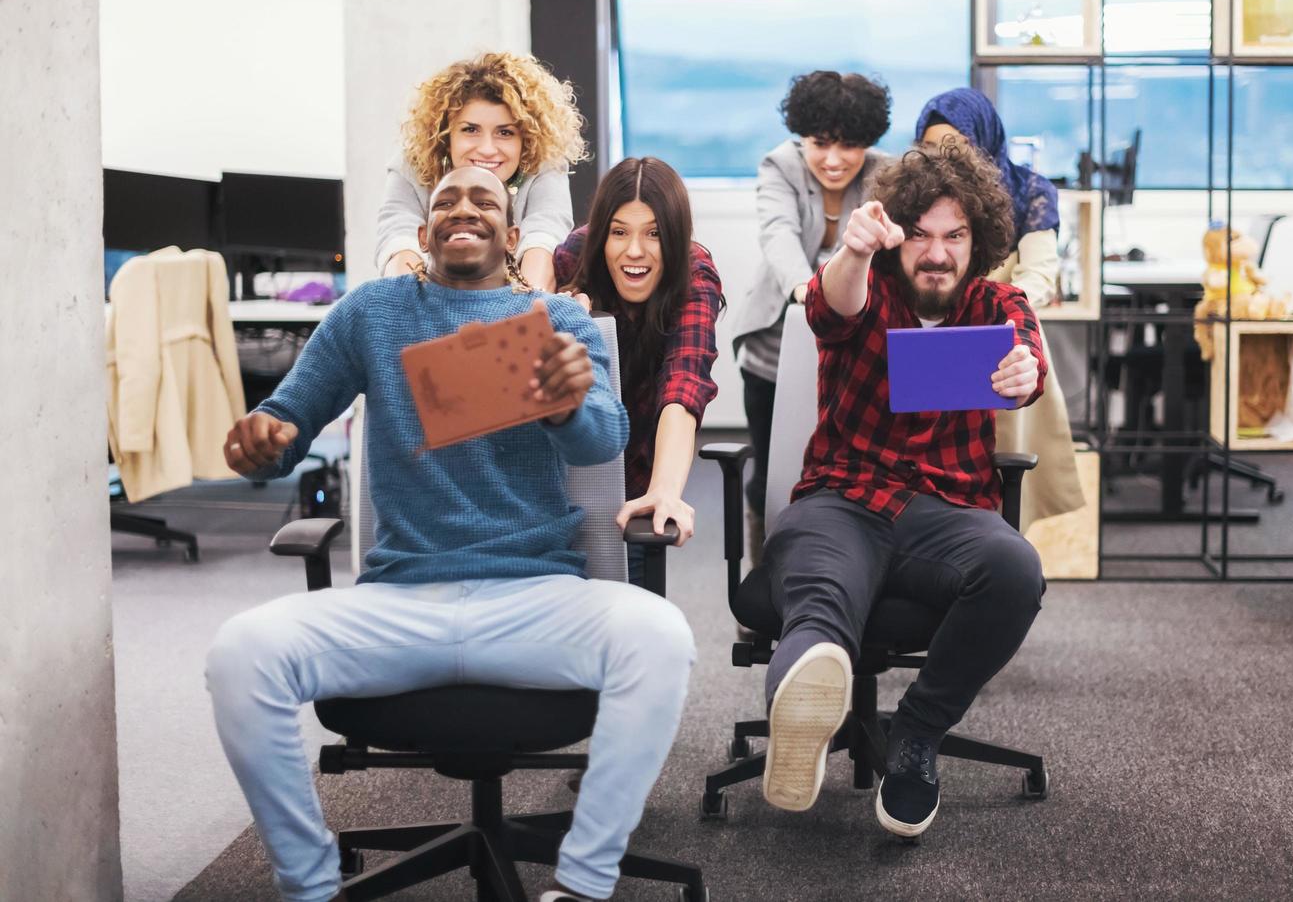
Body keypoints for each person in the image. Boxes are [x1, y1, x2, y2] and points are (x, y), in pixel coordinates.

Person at [206, 165, 695, 902]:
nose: (463, 210)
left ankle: (586, 885)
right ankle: (309, 888)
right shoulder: (370, 314)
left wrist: (565, 407)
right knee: (240, 653)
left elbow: (603, 440)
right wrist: (265, 438)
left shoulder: (556, 323)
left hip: (534, 595)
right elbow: (290, 415)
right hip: (401, 601)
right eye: (445, 202)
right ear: (426, 227)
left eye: (484, 200)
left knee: (661, 635)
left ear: (513, 232)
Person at [758, 141, 1047, 839]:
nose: (936, 254)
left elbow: (1027, 355)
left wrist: (1023, 375)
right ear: (898, 240)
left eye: (954, 237)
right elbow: (831, 308)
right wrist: (853, 251)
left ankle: (915, 737)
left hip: (944, 514)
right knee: (821, 599)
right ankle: (800, 717)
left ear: (978, 241)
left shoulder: (995, 302)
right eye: (919, 236)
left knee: (1016, 569)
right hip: (842, 499)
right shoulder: (867, 287)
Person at [731, 70, 892, 563]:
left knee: (849, 470)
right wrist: (807, 290)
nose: (834, 159)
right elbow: (777, 234)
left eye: (850, 145)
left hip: (854, 353)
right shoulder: (779, 165)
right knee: (770, 469)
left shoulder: (887, 173)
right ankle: (760, 586)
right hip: (774, 348)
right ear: (801, 136)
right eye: (820, 143)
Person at [916, 87, 1085, 527]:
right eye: (931, 147)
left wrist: (992, 308)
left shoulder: (1029, 191)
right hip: (931, 333)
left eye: (958, 145)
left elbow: (1039, 274)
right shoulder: (915, 194)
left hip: (1002, 340)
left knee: (1003, 471)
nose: (945, 157)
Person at [553, 157, 722, 585]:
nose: (634, 251)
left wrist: (664, 490)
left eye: (654, 234)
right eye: (619, 232)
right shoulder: (573, 259)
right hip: (561, 473)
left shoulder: (694, 274)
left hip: (639, 472)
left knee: (637, 616)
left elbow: (685, 382)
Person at [376, 51, 587, 291]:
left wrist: (521, 316)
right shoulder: (412, 164)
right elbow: (399, 242)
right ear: (446, 135)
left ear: (526, 141)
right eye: (470, 130)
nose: (487, 149)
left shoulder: (545, 164)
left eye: (505, 132)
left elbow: (543, 241)